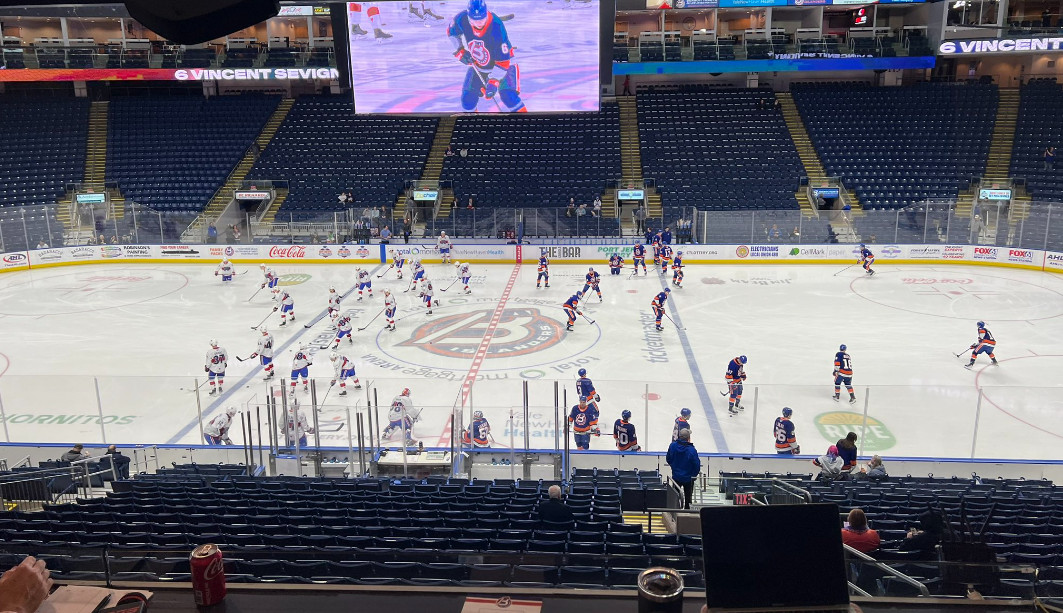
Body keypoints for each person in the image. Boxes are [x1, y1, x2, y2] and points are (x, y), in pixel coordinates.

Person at [448, 0, 525, 112]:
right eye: (475, 20)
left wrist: (493, 82)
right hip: (479, 64)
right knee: (467, 100)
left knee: (509, 96)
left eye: (482, 19)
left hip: (505, 64)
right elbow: (452, 32)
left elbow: (503, 62)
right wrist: (460, 51)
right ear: (469, 17)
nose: (479, 23)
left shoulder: (496, 26)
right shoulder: (461, 18)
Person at [666, 428, 700, 509]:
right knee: (688, 499)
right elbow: (696, 465)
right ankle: (687, 515)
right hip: (688, 478)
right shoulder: (691, 450)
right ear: (688, 438)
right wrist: (693, 476)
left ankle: (675, 514)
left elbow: (668, 458)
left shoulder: (672, 446)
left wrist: (674, 467)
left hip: (676, 476)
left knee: (675, 498)